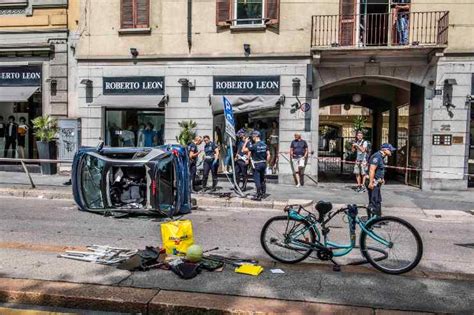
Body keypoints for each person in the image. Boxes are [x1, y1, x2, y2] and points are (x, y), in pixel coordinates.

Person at [367, 143, 396, 216]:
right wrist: (371, 182)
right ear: (384, 149)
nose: (391, 151)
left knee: (378, 201)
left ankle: (378, 219)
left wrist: (382, 178)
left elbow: (379, 169)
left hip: (377, 182)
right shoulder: (377, 156)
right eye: (390, 150)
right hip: (374, 182)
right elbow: (372, 170)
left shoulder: (382, 157)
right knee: (373, 201)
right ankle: (372, 221)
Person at [243, 131, 270, 201]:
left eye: (253, 136)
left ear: (256, 136)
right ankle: (263, 193)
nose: (252, 138)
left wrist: (246, 142)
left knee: (257, 180)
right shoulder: (264, 144)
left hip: (257, 164)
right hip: (263, 164)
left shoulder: (254, 146)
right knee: (262, 179)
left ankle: (258, 195)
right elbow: (268, 155)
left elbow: (243, 150)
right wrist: (266, 162)